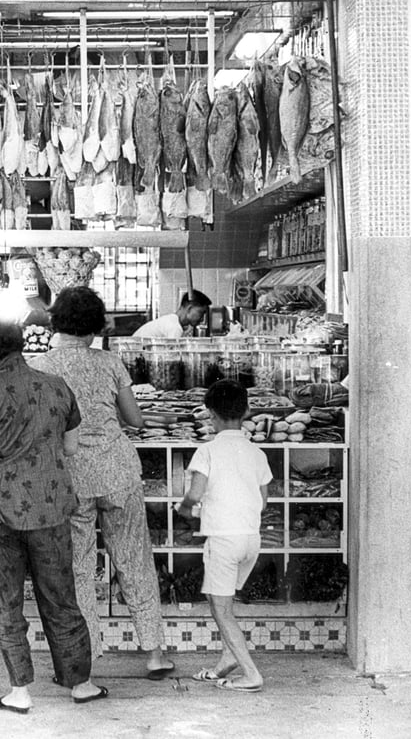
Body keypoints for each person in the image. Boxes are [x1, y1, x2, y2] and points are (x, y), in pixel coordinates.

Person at [0, 313, 108, 712]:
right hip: (52, 509)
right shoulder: (57, 387)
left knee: (9, 603)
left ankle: (20, 691)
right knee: (61, 598)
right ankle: (81, 683)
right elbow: (72, 448)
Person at [31, 286, 175, 680]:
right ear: (95, 327)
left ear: (56, 323)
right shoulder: (111, 363)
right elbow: (135, 420)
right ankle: (155, 654)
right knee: (134, 560)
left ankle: (87, 655)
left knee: (78, 566)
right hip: (118, 471)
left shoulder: (41, 365)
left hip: (71, 477)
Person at [177, 379, 272, 693]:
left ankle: (250, 673)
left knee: (221, 609)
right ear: (246, 411)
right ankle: (225, 663)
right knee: (218, 598)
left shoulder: (207, 451)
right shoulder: (256, 452)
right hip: (250, 540)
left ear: (210, 415)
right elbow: (265, 498)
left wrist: (187, 506)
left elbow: (196, 492)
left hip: (223, 540)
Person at [132, 289, 212, 337]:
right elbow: (173, 358)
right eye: (201, 313)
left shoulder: (172, 320)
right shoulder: (175, 327)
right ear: (189, 309)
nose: (202, 318)